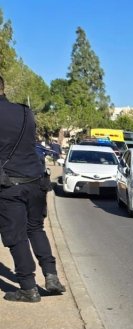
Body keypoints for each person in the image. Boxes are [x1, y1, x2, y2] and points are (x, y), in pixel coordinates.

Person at [0, 74, 65, 302]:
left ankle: (28, 287)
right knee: (36, 228)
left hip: (10, 185)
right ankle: (51, 276)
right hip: (36, 180)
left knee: (15, 235)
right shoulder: (25, 111)